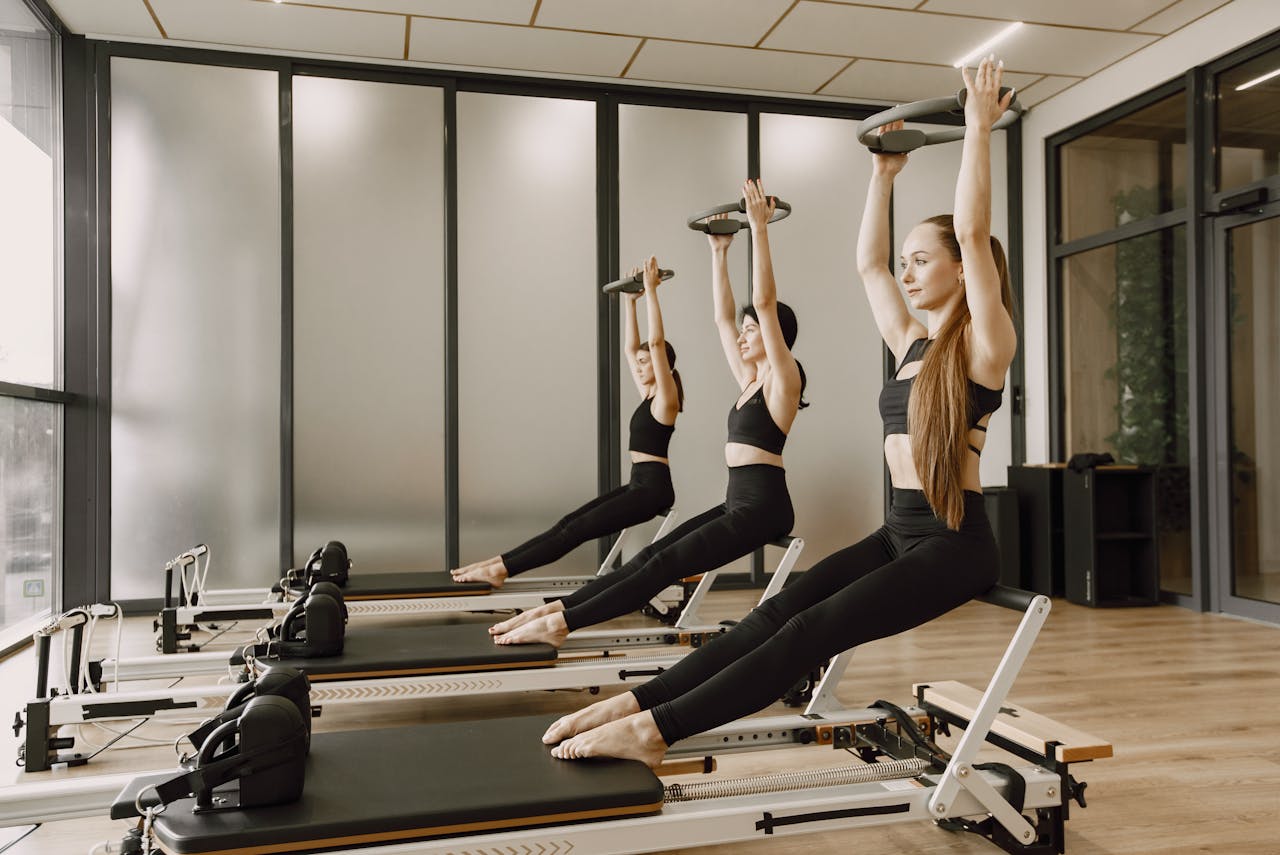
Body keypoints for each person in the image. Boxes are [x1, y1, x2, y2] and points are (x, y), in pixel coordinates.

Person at [541, 56, 1017, 768]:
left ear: (960, 269)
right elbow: (869, 266)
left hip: (953, 547)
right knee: (772, 612)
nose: (908, 271)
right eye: (909, 260)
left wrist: (978, 130)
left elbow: (976, 233)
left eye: (923, 260)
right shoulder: (910, 341)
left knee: (809, 632)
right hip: (896, 533)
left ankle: (655, 732)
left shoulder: (985, 345)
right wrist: (881, 178)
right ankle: (640, 700)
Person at [488, 178, 805, 649]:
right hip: (739, 501)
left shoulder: (783, 380)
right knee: (652, 555)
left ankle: (561, 627)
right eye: (744, 330)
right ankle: (559, 608)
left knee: (664, 567)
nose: (742, 335)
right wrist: (719, 251)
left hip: (765, 507)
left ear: (776, 336)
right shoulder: (749, 380)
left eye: (753, 330)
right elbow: (722, 318)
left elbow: (762, 301)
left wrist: (759, 229)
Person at [451, 256, 682, 588]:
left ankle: (502, 570)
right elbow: (632, 348)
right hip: (638, 483)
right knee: (568, 523)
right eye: (641, 362)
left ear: (663, 368)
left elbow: (656, 344)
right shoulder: (646, 394)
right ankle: (497, 563)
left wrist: (652, 292)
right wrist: (632, 302)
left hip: (654, 490)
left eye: (648, 363)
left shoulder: (666, 401)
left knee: (576, 531)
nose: (641, 365)